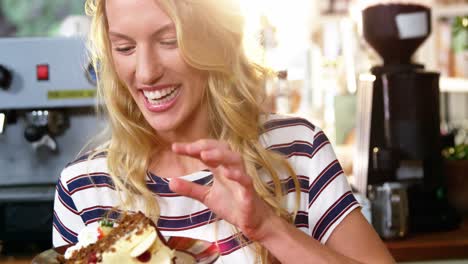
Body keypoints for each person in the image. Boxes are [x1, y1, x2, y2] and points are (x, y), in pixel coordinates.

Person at [52, 0, 395, 263]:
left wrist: (267, 227)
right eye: (125, 48)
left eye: (170, 41)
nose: (145, 72)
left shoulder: (297, 150)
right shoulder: (86, 187)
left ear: (216, 39)